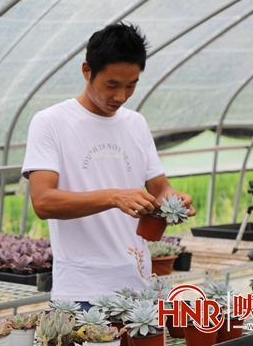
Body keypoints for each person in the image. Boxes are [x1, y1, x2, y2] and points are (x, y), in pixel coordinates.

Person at [21, 22, 195, 308]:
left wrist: (174, 200)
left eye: (131, 85)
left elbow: (159, 186)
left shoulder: (135, 123)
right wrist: (114, 197)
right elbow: (43, 202)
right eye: (111, 85)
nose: (120, 96)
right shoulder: (51, 122)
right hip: (81, 293)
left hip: (139, 286)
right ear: (87, 70)